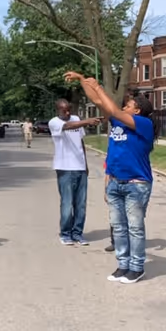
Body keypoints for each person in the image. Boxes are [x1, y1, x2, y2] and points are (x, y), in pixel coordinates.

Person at [64, 72, 155, 284]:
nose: (124, 108)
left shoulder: (143, 124)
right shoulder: (116, 120)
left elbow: (111, 106)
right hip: (116, 182)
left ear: (138, 110)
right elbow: (97, 101)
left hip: (136, 184)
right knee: (119, 227)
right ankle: (123, 265)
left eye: (129, 105)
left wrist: (98, 86)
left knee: (135, 227)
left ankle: (137, 267)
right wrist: (83, 80)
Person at [48, 99, 102, 245]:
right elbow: (67, 126)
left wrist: (85, 164)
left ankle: (77, 233)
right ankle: (65, 233)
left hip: (80, 167)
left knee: (81, 204)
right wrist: (87, 121)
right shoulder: (54, 122)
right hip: (65, 167)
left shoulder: (76, 119)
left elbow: (80, 141)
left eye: (68, 109)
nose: (67, 112)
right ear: (58, 110)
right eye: (63, 110)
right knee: (67, 202)